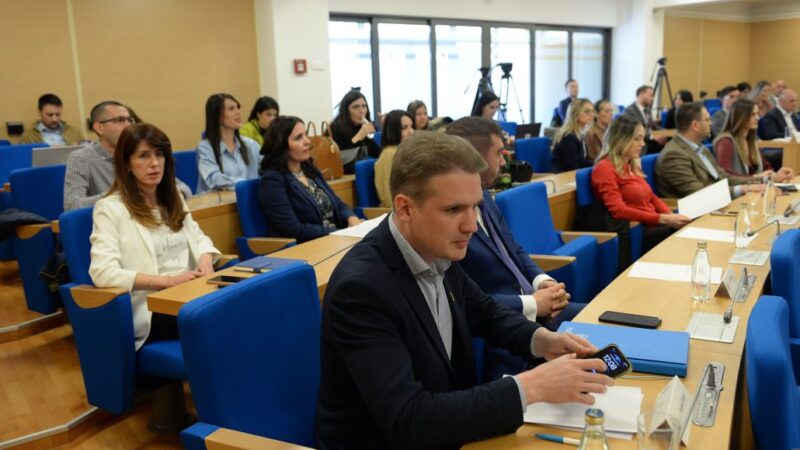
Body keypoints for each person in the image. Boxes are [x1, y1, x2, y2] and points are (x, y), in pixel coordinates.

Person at [316, 131, 613, 449]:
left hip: (446, 428)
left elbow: (484, 311)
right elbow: (407, 419)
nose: (471, 225)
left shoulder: (434, 247)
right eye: (454, 209)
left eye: (475, 207)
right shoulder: (361, 289)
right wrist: (530, 387)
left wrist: (542, 340)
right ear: (405, 209)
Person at [447, 116, 583, 379]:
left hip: (535, 308)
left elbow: (514, 249)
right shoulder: (452, 223)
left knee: (605, 325)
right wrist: (532, 303)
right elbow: (466, 301)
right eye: (499, 153)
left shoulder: (486, 197)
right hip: (503, 329)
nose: (504, 162)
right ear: (475, 157)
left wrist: (543, 282)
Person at [88, 123, 220, 351]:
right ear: (126, 164)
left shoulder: (173, 197)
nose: (155, 163)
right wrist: (168, 282)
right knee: (226, 317)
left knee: (247, 302)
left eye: (159, 154)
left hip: (192, 292)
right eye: (144, 156)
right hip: (153, 307)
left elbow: (199, 238)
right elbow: (102, 272)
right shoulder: (109, 208)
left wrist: (205, 260)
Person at [64, 101, 191, 211]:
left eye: (130, 120)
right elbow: (72, 205)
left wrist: (164, 193)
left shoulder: (138, 153)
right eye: (120, 120)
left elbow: (184, 189)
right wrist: (123, 194)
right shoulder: (81, 158)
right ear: (99, 128)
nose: (128, 125)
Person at [592, 117, 690, 253]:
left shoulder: (630, 165)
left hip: (654, 224)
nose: (643, 144)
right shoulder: (604, 168)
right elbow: (618, 210)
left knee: (690, 225)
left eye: (642, 139)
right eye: (637, 139)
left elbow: (652, 198)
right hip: (639, 231)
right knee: (686, 235)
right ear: (621, 139)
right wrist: (664, 219)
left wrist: (670, 214)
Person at [258, 116, 361, 243]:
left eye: (305, 135)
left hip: (335, 238)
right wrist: (338, 232)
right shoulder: (272, 181)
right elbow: (292, 228)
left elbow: (338, 204)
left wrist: (352, 218)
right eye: (298, 138)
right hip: (310, 245)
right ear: (281, 145)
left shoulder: (310, 170)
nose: (307, 141)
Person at [655, 102, 762, 198]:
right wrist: (741, 189)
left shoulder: (701, 148)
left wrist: (759, 181)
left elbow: (724, 177)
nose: (711, 123)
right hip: (697, 210)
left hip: (717, 203)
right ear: (695, 126)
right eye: (707, 120)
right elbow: (698, 192)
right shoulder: (674, 155)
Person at [715, 98, 795, 181]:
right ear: (740, 117)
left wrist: (776, 174)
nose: (757, 118)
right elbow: (726, 177)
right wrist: (758, 177)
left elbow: (766, 167)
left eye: (757, 114)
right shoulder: (725, 142)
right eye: (753, 114)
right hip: (740, 188)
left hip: (757, 186)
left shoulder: (751, 140)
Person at [196, 93, 261, 194]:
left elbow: (268, 169)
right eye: (231, 108)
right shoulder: (205, 147)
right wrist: (246, 184)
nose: (238, 112)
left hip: (247, 198)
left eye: (238, 107)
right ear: (217, 115)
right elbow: (214, 179)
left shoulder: (251, 145)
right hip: (218, 202)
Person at [330, 90, 380, 171]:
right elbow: (338, 156)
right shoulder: (335, 128)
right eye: (356, 107)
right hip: (342, 172)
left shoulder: (363, 126)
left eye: (364, 106)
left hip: (360, 170)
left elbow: (378, 153)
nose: (361, 111)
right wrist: (359, 136)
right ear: (346, 110)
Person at [374, 110, 414, 208]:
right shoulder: (389, 154)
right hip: (397, 211)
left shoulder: (407, 151)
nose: (411, 131)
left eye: (412, 126)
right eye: (404, 128)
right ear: (393, 130)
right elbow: (389, 196)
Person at [19, 93, 85, 146]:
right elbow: (23, 157)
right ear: (39, 112)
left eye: (58, 114)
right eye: (50, 115)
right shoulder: (28, 136)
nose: (54, 119)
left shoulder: (74, 132)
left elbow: (86, 154)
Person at [551, 98, 595, 172]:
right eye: (587, 111)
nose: (592, 115)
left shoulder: (579, 134)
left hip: (574, 174)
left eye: (592, 111)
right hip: (564, 177)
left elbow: (583, 162)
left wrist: (599, 164)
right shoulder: (568, 137)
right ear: (575, 114)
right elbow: (572, 167)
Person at [623, 85, 667, 153]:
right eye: (651, 95)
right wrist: (652, 137)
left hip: (650, 140)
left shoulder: (647, 109)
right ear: (641, 94)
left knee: (668, 140)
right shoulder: (630, 110)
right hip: (641, 142)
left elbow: (653, 126)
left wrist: (666, 132)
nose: (652, 98)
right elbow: (635, 131)